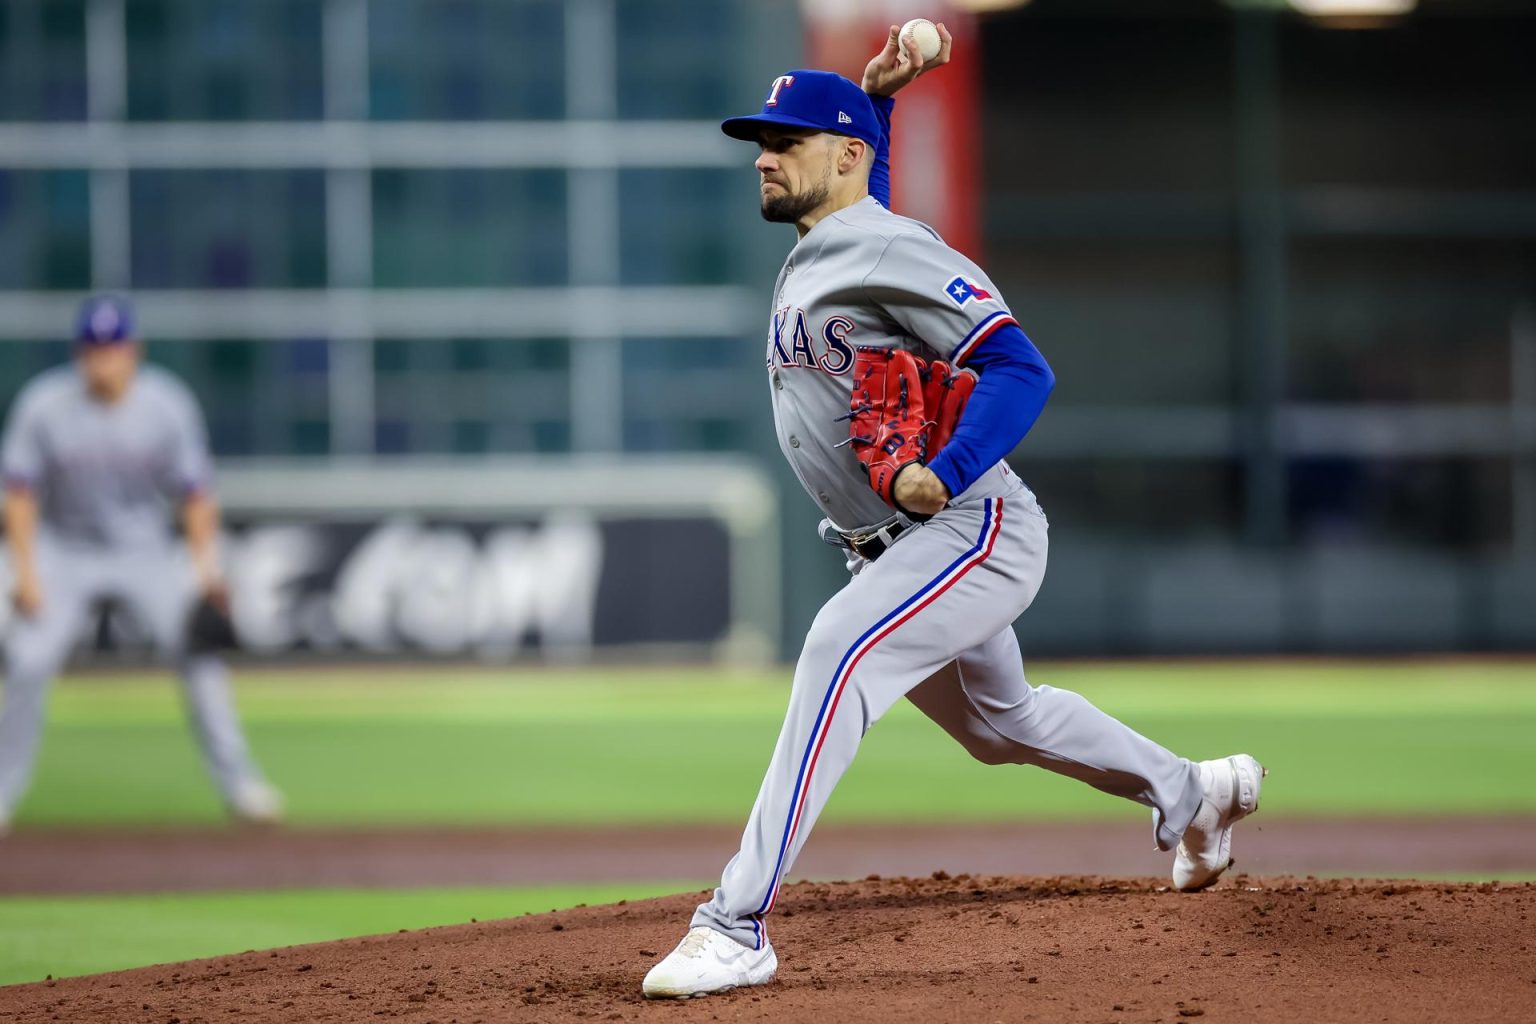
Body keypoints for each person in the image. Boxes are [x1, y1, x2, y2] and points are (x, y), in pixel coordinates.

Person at [642, 27, 1264, 999]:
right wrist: (875, 104)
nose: (763, 155)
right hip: (888, 544)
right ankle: (1195, 790)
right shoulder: (827, 242)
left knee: (835, 650)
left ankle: (735, 923)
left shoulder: (882, 243)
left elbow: (1023, 367)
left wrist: (950, 464)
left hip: (970, 526)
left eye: (787, 139)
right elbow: (862, 196)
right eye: (762, 139)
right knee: (1000, 724)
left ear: (842, 156)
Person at [0, 295, 283, 833]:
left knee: (199, 655)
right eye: (93, 348)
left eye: (113, 348)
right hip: (64, 549)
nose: (103, 359)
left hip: (144, 551)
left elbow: (196, 494)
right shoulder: (44, 404)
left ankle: (242, 786)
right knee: (29, 659)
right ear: (78, 352)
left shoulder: (165, 404)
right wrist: (27, 572)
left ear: (135, 351)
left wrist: (206, 571)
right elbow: (18, 494)